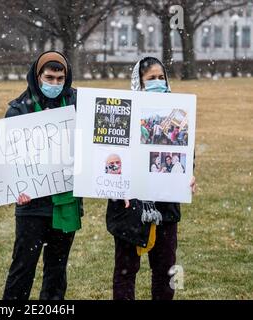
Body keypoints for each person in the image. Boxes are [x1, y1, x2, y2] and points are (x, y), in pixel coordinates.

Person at [106, 56, 196, 300]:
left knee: (165, 270)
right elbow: (108, 158)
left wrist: (188, 175)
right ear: (139, 82)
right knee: (125, 271)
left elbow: (187, 155)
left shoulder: (178, 116)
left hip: (166, 205)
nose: (158, 82)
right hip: (128, 207)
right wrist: (116, 183)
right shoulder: (123, 115)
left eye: (161, 78)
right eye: (151, 79)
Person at [2, 51, 83, 300]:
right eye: (49, 77)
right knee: (23, 267)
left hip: (65, 203)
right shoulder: (18, 110)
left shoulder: (79, 104)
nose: (55, 84)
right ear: (37, 77)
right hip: (32, 205)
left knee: (57, 271)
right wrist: (16, 187)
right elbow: (7, 158)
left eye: (60, 78)